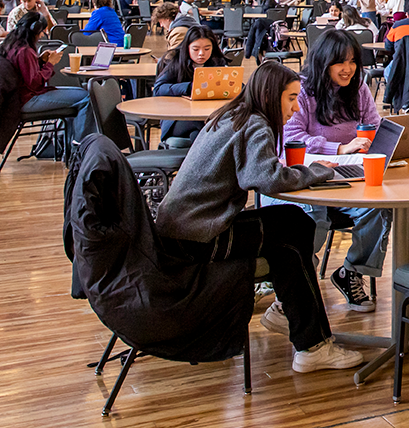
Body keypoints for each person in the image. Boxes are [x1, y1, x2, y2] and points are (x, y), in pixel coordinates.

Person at [154, 62, 365, 373]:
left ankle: (300, 327)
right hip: (200, 237)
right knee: (294, 229)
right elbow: (266, 179)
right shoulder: (254, 124)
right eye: (291, 98)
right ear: (271, 95)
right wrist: (316, 172)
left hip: (185, 228)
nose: (295, 108)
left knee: (292, 233)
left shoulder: (232, 114)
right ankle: (312, 343)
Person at [282, 29, 391, 310]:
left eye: (353, 61)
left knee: (380, 208)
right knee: (312, 215)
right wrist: (338, 148)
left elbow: (374, 124)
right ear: (323, 62)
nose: (349, 69)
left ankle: (351, 272)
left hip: (352, 172)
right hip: (310, 175)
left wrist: (377, 143)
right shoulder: (303, 91)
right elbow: (292, 137)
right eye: (341, 62)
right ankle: (298, 283)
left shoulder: (359, 88)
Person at [2, 10, 89, 145]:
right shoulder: (25, 51)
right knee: (85, 97)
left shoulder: (13, 45)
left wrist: (40, 61)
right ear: (35, 30)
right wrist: (50, 64)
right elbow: (35, 83)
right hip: (27, 100)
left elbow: (25, 73)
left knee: (79, 95)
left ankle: (72, 142)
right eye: (42, 31)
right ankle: (80, 143)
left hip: (17, 98)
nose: (42, 35)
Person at [152, 24, 226, 142]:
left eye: (207, 49)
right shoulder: (176, 63)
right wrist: (188, 87)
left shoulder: (217, 63)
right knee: (205, 127)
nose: (201, 53)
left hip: (207, 114)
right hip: (177, 119)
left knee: (198, 133)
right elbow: (158, 89)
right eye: (196, 49)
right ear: (187, 48)